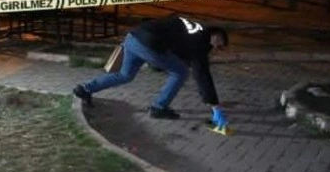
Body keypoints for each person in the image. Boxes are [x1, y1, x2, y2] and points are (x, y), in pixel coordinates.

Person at [73, 14, 229, 130]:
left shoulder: (194, 28)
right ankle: (158, 108)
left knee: (125, 75)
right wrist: (215, 106)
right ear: (216, 35)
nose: (216, 48)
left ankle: (85, 89)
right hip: (148, 45)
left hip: (133, 37)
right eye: (219, 45)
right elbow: (202, 75)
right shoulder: (201, 41)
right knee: (180, 73)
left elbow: (173, 41)